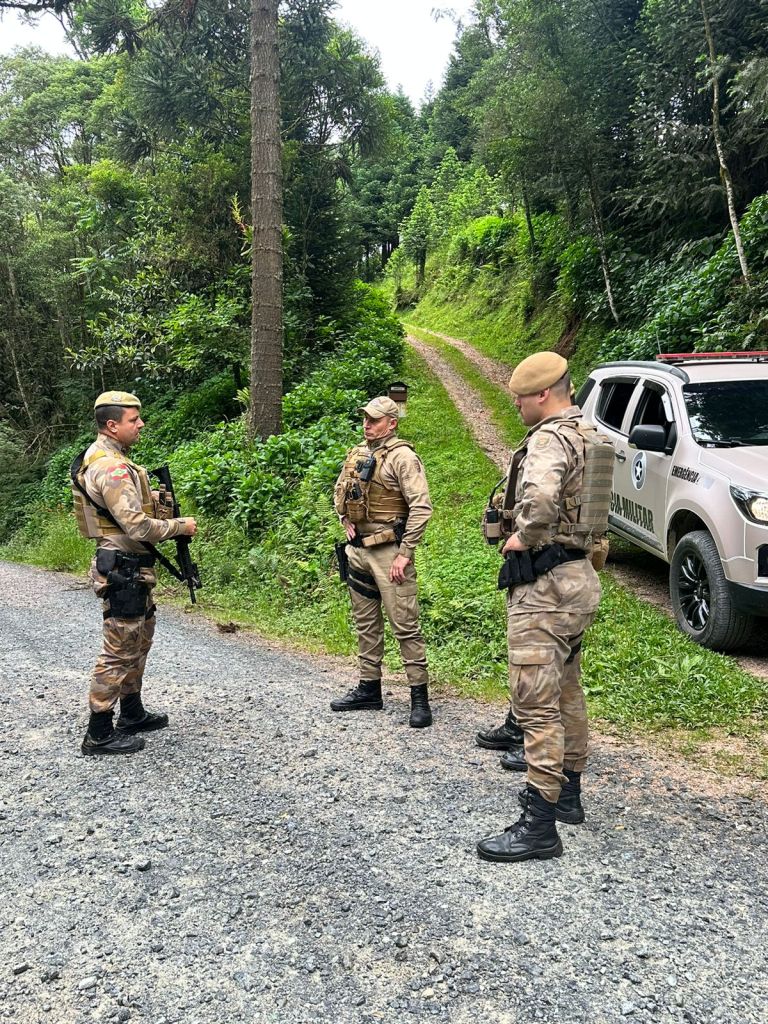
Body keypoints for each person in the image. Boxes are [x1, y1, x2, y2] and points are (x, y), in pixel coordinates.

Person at [476, 353, 613, 863]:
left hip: (546, 586)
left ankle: (538, 826)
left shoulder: (551, 439)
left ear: (543, 394)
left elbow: (540, 498)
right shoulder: (589, 434)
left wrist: (521, 537)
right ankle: (568, 795)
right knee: (567, 690)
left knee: (534, 702)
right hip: (579, 577)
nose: (514, 404)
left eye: (519, 396)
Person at [72, 391, 197, 756]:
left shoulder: (113, 459)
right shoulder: (110, 467)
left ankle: (132, 712)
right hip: (123, 567)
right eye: (133, 420)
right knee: (118, 649)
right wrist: (180, 526)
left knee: (139, 640)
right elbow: (138, 526)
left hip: (133, 568)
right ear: (112, 425)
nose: (140, 424)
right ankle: (98, 732)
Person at [330, 396, 434, 728]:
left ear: (392, 423)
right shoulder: (358, 453)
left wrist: (405, 553)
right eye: (365, 419)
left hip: (390, 553)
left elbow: (421, 507)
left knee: (405, 625)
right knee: (365, 624)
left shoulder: (404, 458)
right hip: (357, 550)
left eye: (374, 420)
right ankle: (368, 688)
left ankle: (419, 698)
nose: (367, 425)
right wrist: (342, 516)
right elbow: (340, 491)